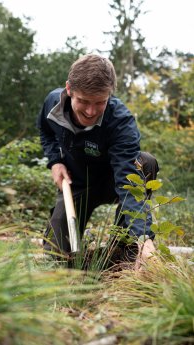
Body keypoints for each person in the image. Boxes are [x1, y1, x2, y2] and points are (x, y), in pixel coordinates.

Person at [37, 54, 159, 267]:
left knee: (145, 163)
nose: (91, 111)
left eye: (100, 102)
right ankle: (73, 258)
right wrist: (55, 161)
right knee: (56, 259)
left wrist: (143, 238)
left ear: (109, 95)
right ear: (69, 89)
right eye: (83, 101)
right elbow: (45, 131)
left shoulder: (121, 122)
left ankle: (126, 250)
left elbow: (129, 182)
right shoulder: (52, 104)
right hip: (77, 183)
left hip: (112, 181)